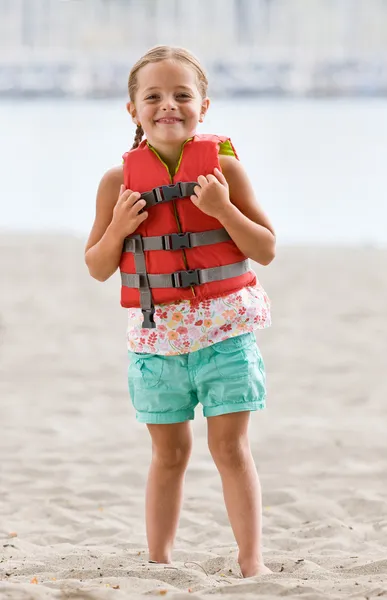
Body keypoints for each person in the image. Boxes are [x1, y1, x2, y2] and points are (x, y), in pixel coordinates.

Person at [85, 45, 275, 578]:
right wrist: (120, 229)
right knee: (168, 456)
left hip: (226, 338)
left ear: (204, 106)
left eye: (182, 95)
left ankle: (251, 562)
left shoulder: (225, 171)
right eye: (154, 96)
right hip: (157, 346)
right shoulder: (115, 184)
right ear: (133, 111)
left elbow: (264, 248)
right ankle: (159, 561)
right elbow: (98, 266)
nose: (168, 105)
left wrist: (223, 209)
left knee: (231, 449)